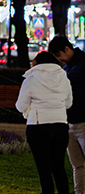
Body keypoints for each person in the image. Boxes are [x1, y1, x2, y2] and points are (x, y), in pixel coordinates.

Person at [17, 50, 74, 194]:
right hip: (60, 126)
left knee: (44, 170)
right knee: (59, 168)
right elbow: (68, 103)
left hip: (37, 127)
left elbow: (20, 106)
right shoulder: (64, 78)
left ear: (37, 63)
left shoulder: (30, 79)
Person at [51, 35, 85, 192]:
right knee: (77, 165)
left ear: (67, 49)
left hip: (83, 122)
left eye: (59, 56)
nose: (59, 59)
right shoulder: (65, 68)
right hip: (69, 123)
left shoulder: (83, 63)